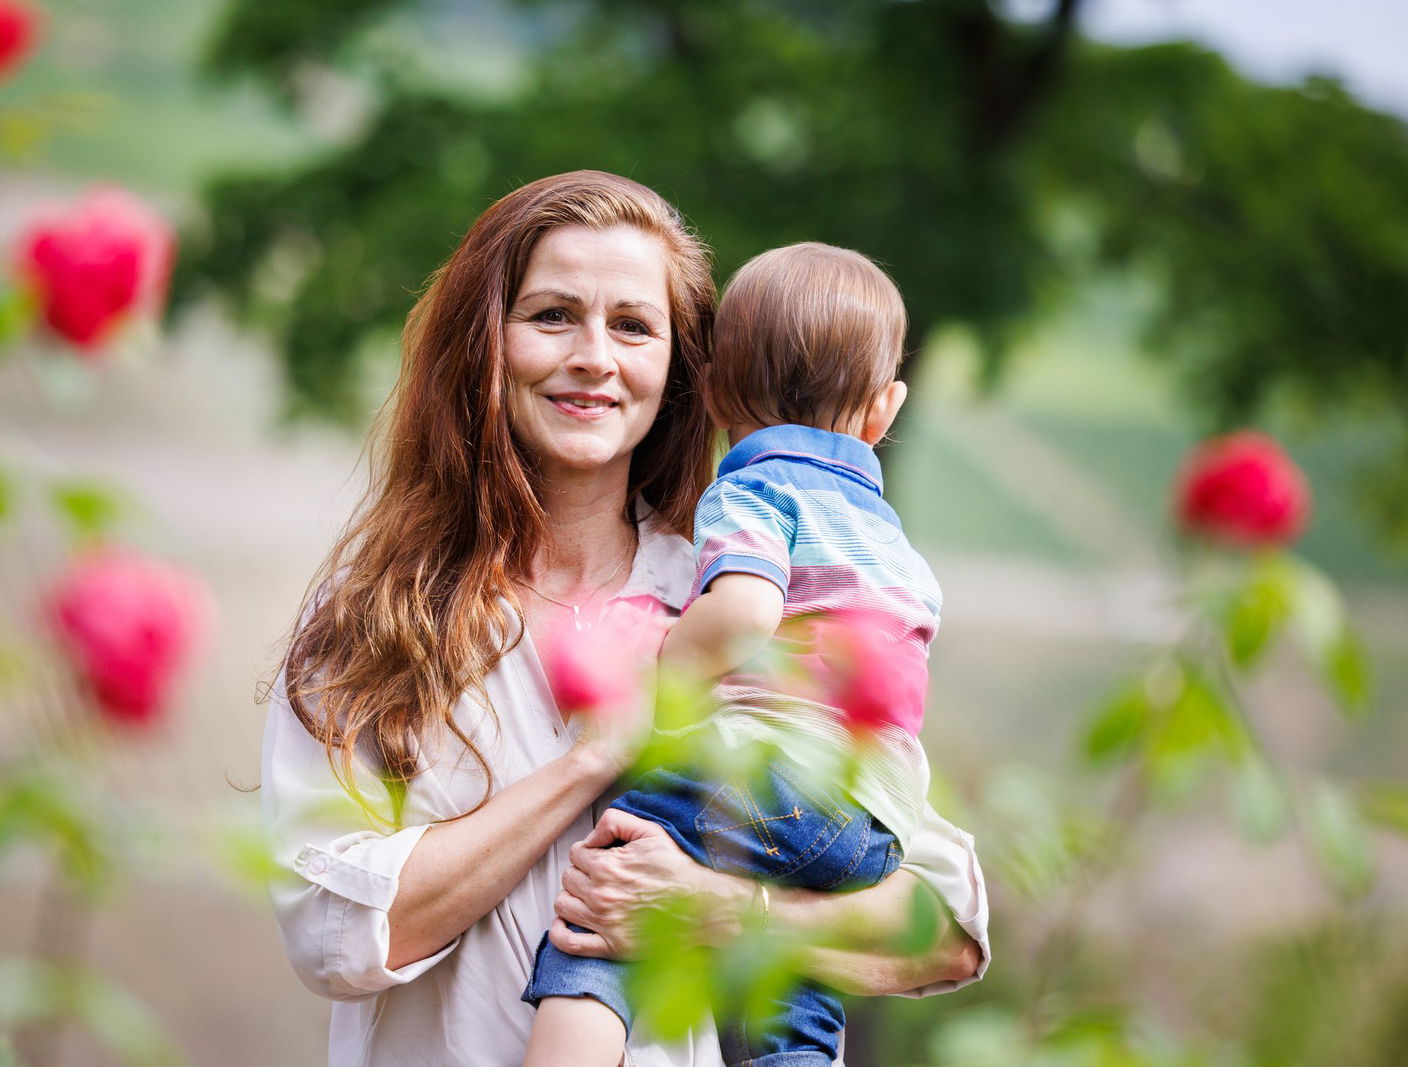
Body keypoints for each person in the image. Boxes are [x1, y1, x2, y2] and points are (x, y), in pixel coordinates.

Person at [260, 171, 990, 1067]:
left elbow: (946, 921)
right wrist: (600, 754)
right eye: (553, 315)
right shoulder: (376, 619)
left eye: (634, 326)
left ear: (687, 376)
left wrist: (724, 911)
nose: (595, 357)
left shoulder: (738, 596)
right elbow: (336, 934)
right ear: (483, 343)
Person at [522, 243, 939, 1067]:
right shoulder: (892, 542)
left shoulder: (756, 490)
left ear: (710, 390)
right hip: (875, 818)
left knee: (608, 911)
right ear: (884, 410)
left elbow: (745, 612)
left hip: (774, 778)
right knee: (797, 991)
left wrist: (659, 665)